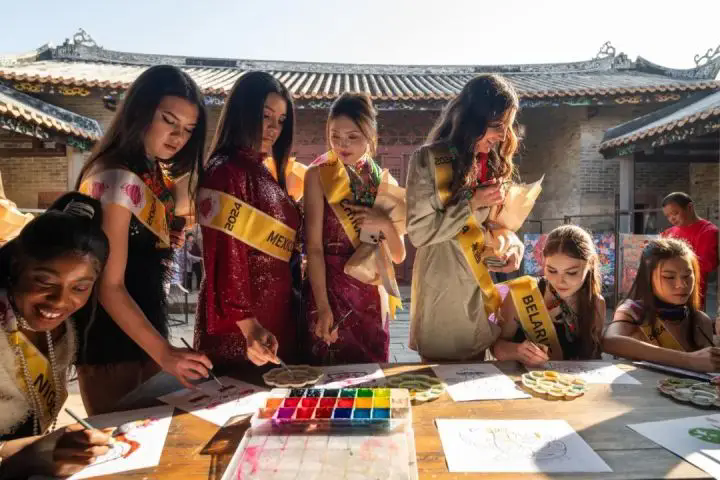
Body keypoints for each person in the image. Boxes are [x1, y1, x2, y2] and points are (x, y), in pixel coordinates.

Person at [75, 65, 212, 414]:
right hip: (111, 340)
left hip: (145, 328)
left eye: (188, 129)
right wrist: (165, 353)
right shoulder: (115, 176)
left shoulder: (150, 171)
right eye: (169, 120)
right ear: (140, 110)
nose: (178, 136)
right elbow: (109, 286)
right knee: (120, 439)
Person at [406, 74, 524, 361]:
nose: (502, 136)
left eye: (507, 127)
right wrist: (472, 202)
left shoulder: (493, 163)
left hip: (480, 288)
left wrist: (511, 246)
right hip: (443, 289)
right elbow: (419, 232)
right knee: (438, 378)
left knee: (477, 379)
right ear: (473, 119)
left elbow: (498, 225)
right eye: (497, 126)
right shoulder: (429, 160)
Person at [0, 192, 114, 478]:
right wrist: (29, 456)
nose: (60, 301)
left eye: (80, 288)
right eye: (44, 281)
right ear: (16, 267)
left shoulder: (65, 332)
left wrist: (49, 450)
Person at [194, 71, 300, 369]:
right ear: (243, 111)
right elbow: (226, 253)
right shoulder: (226, 171)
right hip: (242, 330)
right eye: (265, 116)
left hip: (272, 314)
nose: (273, 128)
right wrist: (247, 323)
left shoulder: (260, 171)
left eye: (281, 120)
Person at [304, 93, 405, 364]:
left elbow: (398, 255)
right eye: (335, 136)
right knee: (328, 375)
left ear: (370, 135)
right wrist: (323, 307)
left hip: (371, 294)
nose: (342, 144)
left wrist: (383, 222)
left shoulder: (384, 183)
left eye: (352, 136)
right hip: (330, 291)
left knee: (372, 376)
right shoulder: (318, 175)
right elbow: (314, 248)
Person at [491, 225, 605, 366]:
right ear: (543, 262)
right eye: (552, 270)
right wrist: (517, 351)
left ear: (590, 264)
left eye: (571, 273)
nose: (560, 281)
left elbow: (594, 356)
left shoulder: (595, 304)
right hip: (525, 377)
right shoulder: (521, 292)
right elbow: (496, 347)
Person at [603, 238, 717, 372]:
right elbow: (610, 341)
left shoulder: (700, 320)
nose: (682, 284)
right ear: (648, 278)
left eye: (687, 276)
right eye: (669, 277)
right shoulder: (634, 312)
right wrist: (688, 360)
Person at [661, 192, 718, 307]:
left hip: (690, 293)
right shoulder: (668, 233)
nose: (671, 219)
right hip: (664, 291)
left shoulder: (708, 231)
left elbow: (707, 264)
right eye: (668, 216)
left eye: (675, 213)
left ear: (690, 207)